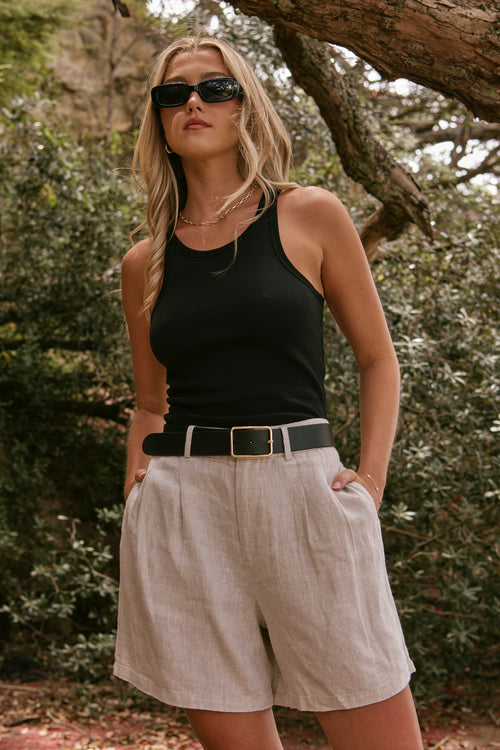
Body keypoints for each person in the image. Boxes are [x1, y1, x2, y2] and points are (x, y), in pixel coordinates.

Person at [113, 34, 424, 750]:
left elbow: (378, 360)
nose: (193, 101)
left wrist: (368, 488)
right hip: (183, 506)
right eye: (173, 93)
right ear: (159, 120)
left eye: (213, 87)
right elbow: (151, 400)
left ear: (244, 106)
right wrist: (138, 495)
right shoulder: (143, 263)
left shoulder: (308, 214)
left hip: (303, 490)